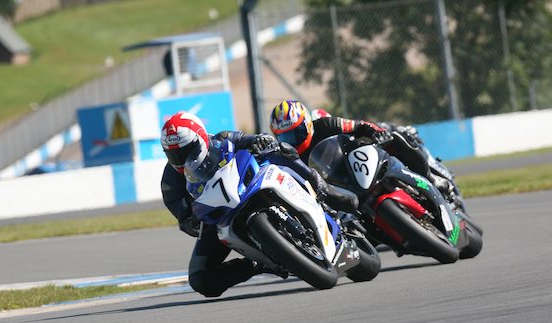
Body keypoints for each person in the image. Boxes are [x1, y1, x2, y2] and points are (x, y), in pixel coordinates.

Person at [159, 111, 356, 298]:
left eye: (186, 150)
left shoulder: (220, 139)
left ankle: (325, 191)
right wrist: (188, 221)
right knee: (200, 279)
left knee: (281, 151)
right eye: (174, 154)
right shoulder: (170, 179)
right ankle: (256, 264)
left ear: (201, 137)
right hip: (218, 215)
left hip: (245, 184)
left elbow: (243, 139)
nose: (181, 158)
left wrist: (258, 140)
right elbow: (178, 207)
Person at [269, 100, 451, 195]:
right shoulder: (289, 157)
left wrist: (376, 132)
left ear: (307, 124)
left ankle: (431, 178)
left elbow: (359, 125)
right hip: (337, 186)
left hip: (356, 158)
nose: (292, 140)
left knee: (397, 139)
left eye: (295, 132)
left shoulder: (325, 124)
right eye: (284, 136)